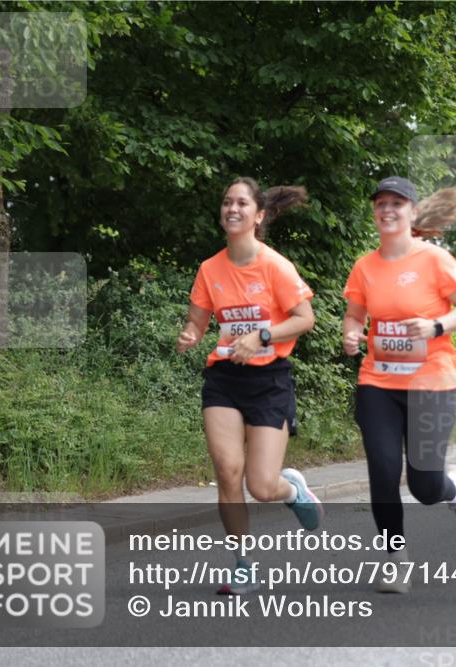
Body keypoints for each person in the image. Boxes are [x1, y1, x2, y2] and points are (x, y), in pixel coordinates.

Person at [176, 177, 321, 595]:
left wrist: (260, 337)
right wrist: (189, 334)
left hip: (269, 381)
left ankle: (291, 488)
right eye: (226, 202)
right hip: (223, 379)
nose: (231, 208)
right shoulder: (210, 268)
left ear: (258, 216)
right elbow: (198, 321)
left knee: (260, 486)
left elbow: (304, 317)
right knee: (227, 471)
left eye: (241, 203)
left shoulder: (274, 265)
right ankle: (243, 564)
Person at [342, 176, 456, 594]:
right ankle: (395, 558)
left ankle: (453, 489)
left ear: (413, 212)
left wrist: (435, 325)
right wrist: (351, 334)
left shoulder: (434, 260)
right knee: (383, 472)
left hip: (431, 382)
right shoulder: (366, 266)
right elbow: (354, 315)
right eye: (381, 203)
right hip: (378, 382)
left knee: (424, 487)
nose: (387, 210)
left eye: (396, 204)